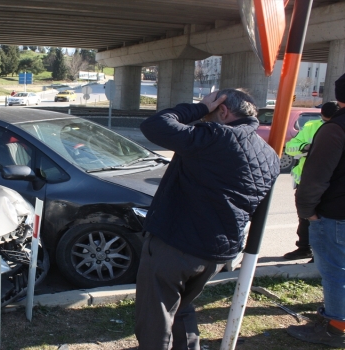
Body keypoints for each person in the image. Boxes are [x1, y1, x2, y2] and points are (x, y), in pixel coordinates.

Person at [135, 89, 280, 349]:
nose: (202, 120)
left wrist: (198, 108)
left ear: (222, 111)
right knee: (182, 307)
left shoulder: (216, 136)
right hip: (216, 253)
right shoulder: (269, 155)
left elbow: (155, 126)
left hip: (176, 245)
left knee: (155, 317)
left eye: (209, 114)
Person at [287, 73, 345, 348]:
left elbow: (316, 175)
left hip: (335, 215)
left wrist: (307, 210)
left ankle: (335, 327)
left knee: (335, 271)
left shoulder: (335, 129)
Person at [283, 101, 340, 260]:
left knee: (325, 220)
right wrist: (305, 148)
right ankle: (304, 248)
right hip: (307, 180)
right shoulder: (311, 126)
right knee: (305, 217)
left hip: (328, 183)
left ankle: (319, 253)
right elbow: (290, 147)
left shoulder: (338, 128)